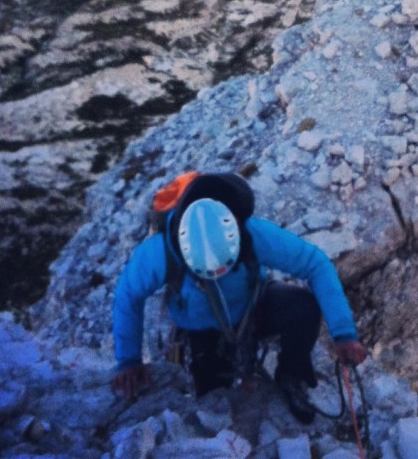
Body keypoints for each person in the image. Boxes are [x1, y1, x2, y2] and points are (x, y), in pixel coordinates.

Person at [111, 172, 368, 423]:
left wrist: (343, 333)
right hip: (200, 329)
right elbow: (128, 296)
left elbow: (316, 264)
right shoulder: (159, 252)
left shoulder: (252, 233)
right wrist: (129, 359)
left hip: (252, 309)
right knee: (213, 395)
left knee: (302, 307)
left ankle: (292, 375)